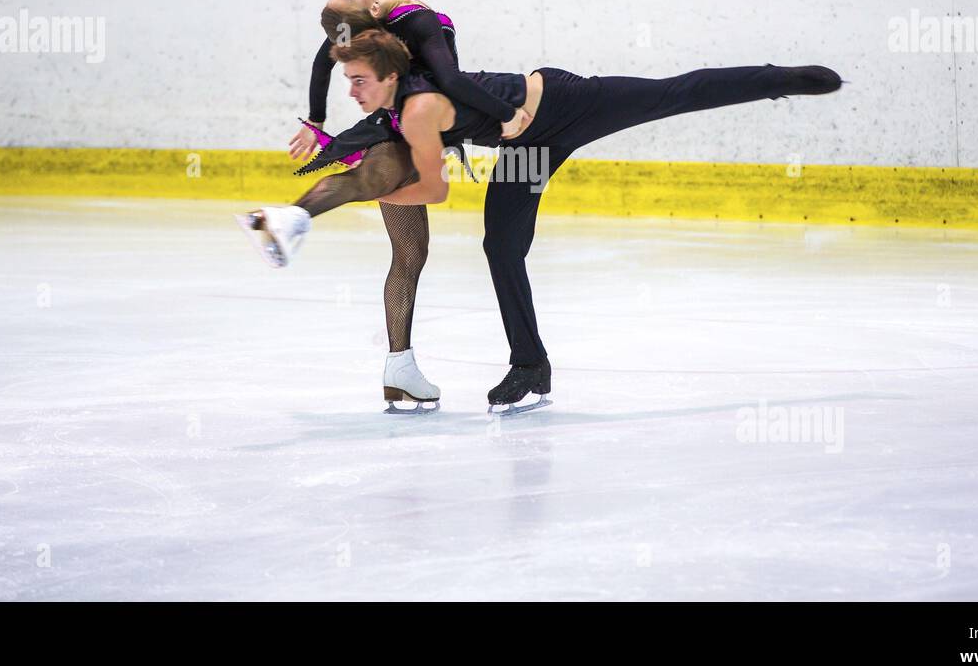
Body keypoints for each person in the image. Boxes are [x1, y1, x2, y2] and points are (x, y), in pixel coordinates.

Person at [330, 28, 844, 413]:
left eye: (359, 78)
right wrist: (321, 144)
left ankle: (780, 79)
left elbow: (398, 24)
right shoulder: (395, 114)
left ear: (389, 70)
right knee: (501, 248)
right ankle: (529, 364)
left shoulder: (431, 72)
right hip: (528, 150)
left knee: (670, 94)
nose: (354, 88)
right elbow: (353, 131)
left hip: (566, 103)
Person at [241, 0, 531, 413]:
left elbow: (323, 63)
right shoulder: (408, 20)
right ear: (371, 12)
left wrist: (317, 122)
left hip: (395, 125)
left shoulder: (364, 25)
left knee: (409, 252)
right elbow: (450, 79)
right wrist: (506, 114)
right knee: (400, 237)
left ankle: (399, 369)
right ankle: (289, 218)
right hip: (410, 126)